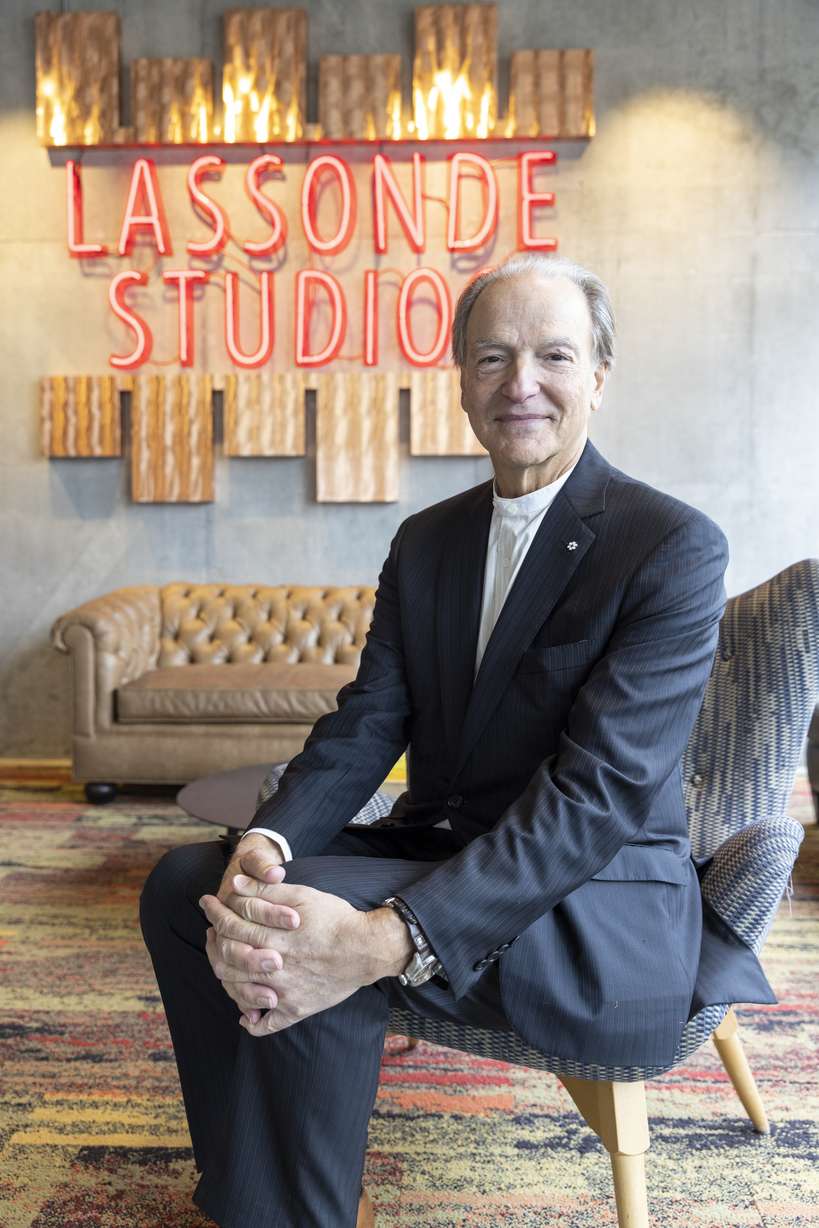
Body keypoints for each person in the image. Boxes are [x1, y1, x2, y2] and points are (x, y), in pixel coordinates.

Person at [139, 252, 776, 1228]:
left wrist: (389, 934)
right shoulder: (428, 541)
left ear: (598, 376)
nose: (521, 383)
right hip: (449, 846)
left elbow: (595, 799)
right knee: (191, 885)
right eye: (493, 357)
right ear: (463, 381)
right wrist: (267, 840)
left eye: (553, 355)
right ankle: (248, 1200)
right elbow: (367, 725)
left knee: (310, 926)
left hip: (594, 911)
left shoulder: (669, 544)